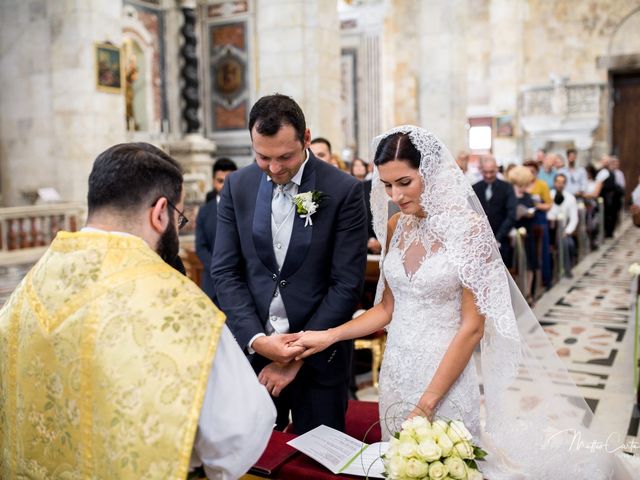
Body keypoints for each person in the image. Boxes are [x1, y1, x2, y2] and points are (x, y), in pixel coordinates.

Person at [293, 126, 633, 479]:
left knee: (449, 466)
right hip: (396, 371)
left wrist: (426, 404)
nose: (395, 195)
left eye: (405, 182)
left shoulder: (469, 230)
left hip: (445, 376)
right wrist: (329, 335)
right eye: (387, 185)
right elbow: (386, 309)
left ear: (431, 173)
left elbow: (472, 328)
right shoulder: (397, 225)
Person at [0, 143, 275, 479]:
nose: (178, 227)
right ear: (160, 212)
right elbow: (238, 433)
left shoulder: (28, 289)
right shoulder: (176, 306)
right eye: (179, 217)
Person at [211, 94, 368, 434]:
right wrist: (256, 339)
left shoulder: (343, 191)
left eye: (286, 156)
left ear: (306, 138)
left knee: (319, 461)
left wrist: (296, 356)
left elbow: (346, 284)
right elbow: (226, 271)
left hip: (320, 359)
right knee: (255, 461)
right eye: (262, 156)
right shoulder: (238, 185)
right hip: (254, 357)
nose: (275, 168)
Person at [196, 157, 238, 300]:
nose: (225, 186)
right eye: (220, 181)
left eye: (229, 181)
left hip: (241, 283)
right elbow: (200, 247)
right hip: (212, 285)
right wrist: (217, 268)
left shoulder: (247, 208)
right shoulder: (204, 211)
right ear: (213, 181)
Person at [472, 155, 517, 267]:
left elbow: (511, 214)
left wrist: (498, 237)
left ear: (497, 169)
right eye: (485, 172)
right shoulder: (475, 188)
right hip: (479, 240)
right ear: (481, 170)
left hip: (501, 238)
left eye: (491, 172)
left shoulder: (507, 187)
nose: (488, 175)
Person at [548, 173, 579, 278]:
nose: (560, 185)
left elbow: (574, 219)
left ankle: (567, 269)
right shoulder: (549, 195)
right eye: (558, 182)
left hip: (563, 230)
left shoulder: (570, 198)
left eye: (562, 183)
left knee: (569, 244)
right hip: (550, 229)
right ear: (554, 183)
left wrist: (567, 231)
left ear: (565, 184)